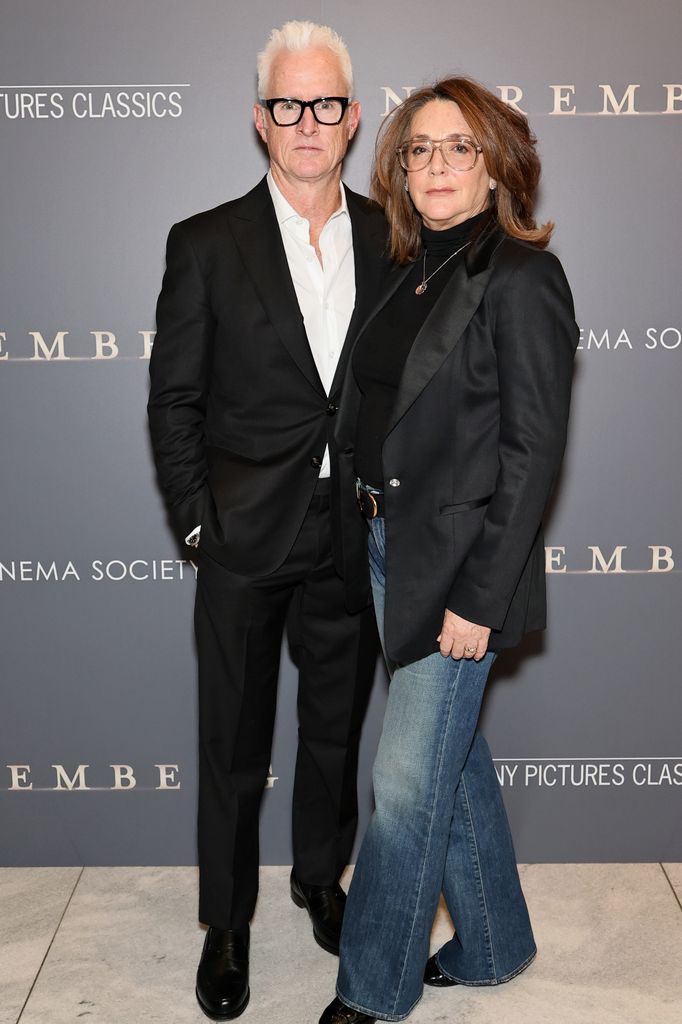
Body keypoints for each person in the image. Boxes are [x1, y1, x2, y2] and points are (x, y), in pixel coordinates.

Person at [320, 77, 579, 1024]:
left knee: (401, 780)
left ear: (496, 165)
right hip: (391, 546)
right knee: (449, 762)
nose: (435, 165)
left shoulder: (520, 276)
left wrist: (481, 596)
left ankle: (373, 987)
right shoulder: (402, 268)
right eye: (419, 148)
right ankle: (497, 944)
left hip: (462, 572)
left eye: (459, 147)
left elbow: (532, 453)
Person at [148, 21, 388, 1021]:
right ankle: (230, 923)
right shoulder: (205, 242)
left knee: (334, 731)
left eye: (324, 104)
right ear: (260, 119)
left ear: (351, 116)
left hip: (353, 529)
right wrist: (200, 526)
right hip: (245, 536)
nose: (306, 123)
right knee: (233, 747)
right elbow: (174, 403)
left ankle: (319, 880)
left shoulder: (393, 235)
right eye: (286, 105)